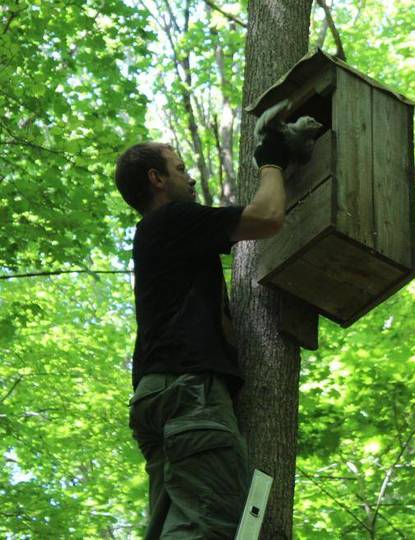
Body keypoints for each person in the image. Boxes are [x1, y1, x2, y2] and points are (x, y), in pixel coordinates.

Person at [114, 131, 288, 539]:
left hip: (154, 397)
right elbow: (268, 217)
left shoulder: (156, 235)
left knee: (173, 527)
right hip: (188, 390)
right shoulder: (173, 219)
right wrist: (273, 163)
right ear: (157, 179)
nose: (190, 179)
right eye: (180, 169)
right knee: (207, 525)